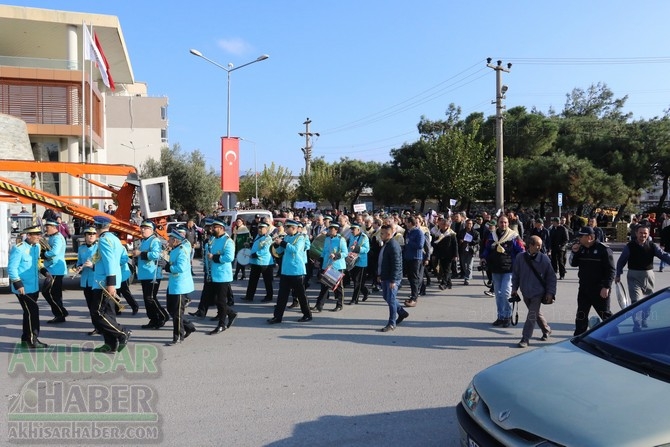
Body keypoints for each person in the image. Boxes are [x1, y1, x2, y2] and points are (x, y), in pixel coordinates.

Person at [615, 224, 670, 330]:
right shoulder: (629, 246)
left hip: (649, 276)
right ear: (636, 233)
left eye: (645, 233)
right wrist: (618, 274)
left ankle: (644, 319)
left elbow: (664, 255)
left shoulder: (652, 246)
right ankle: (637, 323)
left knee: (649, 302)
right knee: (636, 301)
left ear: (648, 234)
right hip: (633, 276)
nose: (643, 235)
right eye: (641, 233)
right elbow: (621, 261)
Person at [90, 215, 131, 353]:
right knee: (108, 314)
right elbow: (120, 259)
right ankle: (110, 344)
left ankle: (122, 333)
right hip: (107, 280)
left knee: (98, 314)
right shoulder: (114, 238)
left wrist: (110, 283)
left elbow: (110, 262)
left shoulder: (104, 240)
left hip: (104, 282)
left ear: (96, 227)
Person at [480, 216, 526, 328]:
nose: (503, 224)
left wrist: (521, 264)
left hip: (509, 269)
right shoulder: (492, 235)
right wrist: (483, 257)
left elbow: (521, 250)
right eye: (501, 222)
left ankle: (507, 316)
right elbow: (486, 248)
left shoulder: (513, 236)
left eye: (505, 222)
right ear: (498, 224)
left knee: (506, 293)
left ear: (508, 223)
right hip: (495, 268)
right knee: (498, 295)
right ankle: (500, 317)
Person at [570, 226, 616, 335]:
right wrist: (574, 252)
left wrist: (606, 287)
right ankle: (578, 337)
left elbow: (611, 270)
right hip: (584, 288)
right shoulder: (581, 248)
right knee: (581, 315)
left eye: (582, 236)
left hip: (599, 289)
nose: (579, 239)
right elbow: (573, 263)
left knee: (605, 315)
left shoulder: (603, 249)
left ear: (590, 237)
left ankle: (614, 335)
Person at [512, 235, 556, 348]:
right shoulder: (520, 257)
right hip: (525, 291)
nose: (540, 248)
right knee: (535, 313)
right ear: (530, 245)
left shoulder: (544, 259)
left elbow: (551, 277)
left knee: (531, 315)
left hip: (538, 292)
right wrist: (514, 289)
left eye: (541, 245)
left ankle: (525, 338)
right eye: (537, 245)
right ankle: (546, 330)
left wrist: (550, 293)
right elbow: (516, 274)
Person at [8, 225, 48, 349]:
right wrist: (18, 283)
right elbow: (12, 268)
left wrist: (45, 272)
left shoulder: (36, 246)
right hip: (23, 288)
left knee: (28, 313)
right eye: (36, 235)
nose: (39, 237)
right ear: (29, 235)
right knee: (33, 313)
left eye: (39, 234)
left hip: (34, 287)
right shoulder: (19, 248)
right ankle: (32, 340)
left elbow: (36, 263)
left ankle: (26, 340)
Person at [267, 220, 312, 324]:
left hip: (297, 271)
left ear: (294, 228)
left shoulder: (301, 238)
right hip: (286, 271)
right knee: (282, 295)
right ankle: (277, 317)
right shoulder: (287, 238)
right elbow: (280, 252)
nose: (286, 229)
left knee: (301, 295)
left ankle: (307, 314)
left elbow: (295, 250)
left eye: (288, 227)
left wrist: (282, 243)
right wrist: (276, 245)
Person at [133, 220, 170, 329]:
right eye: (142, 227)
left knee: (150, 298)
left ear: (152, 230)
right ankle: (153, 319)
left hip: (152, 274)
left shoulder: (154, 240)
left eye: (146, 228)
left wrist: (140, 253)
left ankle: (163, 316)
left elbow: (156, 255)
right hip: (145, 274)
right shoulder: (143, 241)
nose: (143, 230)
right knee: (147, 299)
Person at [164, 231, 197, 345]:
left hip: (180, 285)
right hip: (174, 284)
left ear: (176, 240)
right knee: (171, 309)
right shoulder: (175, 249)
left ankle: (178, 336)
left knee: (177, 312)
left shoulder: (182, 250)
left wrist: (167, 266)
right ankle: (189, 326)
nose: (168, 241)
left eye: (170, 239)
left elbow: (181, 267)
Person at [377, 224, 409, 332]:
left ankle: (392, 323)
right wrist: (379, 274)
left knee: (391, 299)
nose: (380, 235)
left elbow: (397, 264)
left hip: (392, 278)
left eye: (382, 233)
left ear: (389, 234)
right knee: (387, 297)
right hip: (385, 276)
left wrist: (393, 280)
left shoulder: (393, 245)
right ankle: (401, 312)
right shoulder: (386, 244)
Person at [208, 219, 238, 334]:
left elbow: (229, 257)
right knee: (215, 299)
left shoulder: (228, 241)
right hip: (214, 274)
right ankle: (230, 313)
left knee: (221, 301)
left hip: (223, 275)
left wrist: (214, 257)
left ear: (221, 228)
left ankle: (222, 324)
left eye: (214, 227)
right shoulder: (215, 239)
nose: (212, 229)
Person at [312, 222, 348, 312]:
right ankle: (319, 306)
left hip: (337, 265)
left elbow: (345, 253)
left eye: (332, 229)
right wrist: (319, 260)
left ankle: (339, 305)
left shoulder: (341, 240)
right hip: (327, 265)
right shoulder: (327, 239)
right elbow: (324, 251)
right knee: (324, 286)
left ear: (336, 230)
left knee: (338, 287)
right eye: (329, 229)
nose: (330, 230)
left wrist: (336, 255)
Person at [41, 219, 69, 323]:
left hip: (56, 269)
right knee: (54, 294)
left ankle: (61, 312)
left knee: (48, 292)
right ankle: (60, 314)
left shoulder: (57, 238)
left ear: (54, 227)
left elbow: (54, 252)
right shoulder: (53, 237)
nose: (46, 229)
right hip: (52, 268)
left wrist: (44, 254)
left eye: (47, 227)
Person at [76, 226, 100, 336]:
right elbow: (79, 262)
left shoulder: (99, 247)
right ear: (85, 236)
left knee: (97, 307)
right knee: (90, 306)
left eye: (93, 234)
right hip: (86, 281)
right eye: (88, 234)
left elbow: (104, 264)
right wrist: (78, 267)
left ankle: (102, 327)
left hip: (97, 281)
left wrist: (93, 266)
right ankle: (96, 327)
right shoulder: (81, 248)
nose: (91, 236)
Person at [242, 222, 274, 302]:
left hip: (265, 263)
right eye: (259, 228)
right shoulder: (257, 236)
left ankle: (269, 296)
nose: (259, 229)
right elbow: (255, 246)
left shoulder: (268, 238)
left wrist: (254, 255)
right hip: (255, 262)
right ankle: (249, 296)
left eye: (262, 228)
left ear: (266, 229)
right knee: (252, 280)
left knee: (267, 281)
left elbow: (265, 250)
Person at [402, 216, 425, 307]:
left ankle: (414, 297)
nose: (405, 224)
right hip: (408, 257)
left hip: (416, 258)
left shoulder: (419, 232)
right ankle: (412, 295)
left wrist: (409, 241)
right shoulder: (409, 232)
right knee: (410, 278)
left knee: (414, 278)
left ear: (411, 223)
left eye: (407, 222)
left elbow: (420, 245)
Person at [346, 222, 370, 305]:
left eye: (353, 229)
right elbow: (349, 247)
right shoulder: (352, 236)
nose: (352, 231)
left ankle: (354, 299)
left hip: (361, 262)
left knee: (357, 281)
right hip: (352, 261)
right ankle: (365, 292)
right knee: (355, 280)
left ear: (358, 230)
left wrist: (356, 248)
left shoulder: (364, 237)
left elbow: (366, 249)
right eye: (351, 229)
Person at [457, 218, 480, 286]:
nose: (469, 225)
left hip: (471, 250)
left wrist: (471, 241)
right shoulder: (462, 232)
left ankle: (467, 278)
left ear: (472, 224)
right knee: (464, 265)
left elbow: (478, 240)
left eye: (470, 224)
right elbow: (458, 238)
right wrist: (460, 241)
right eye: (467, 223)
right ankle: (467, 275)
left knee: (469, 265)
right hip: (463, 250)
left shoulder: (475, 232)